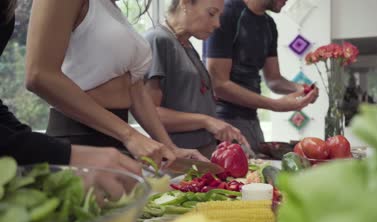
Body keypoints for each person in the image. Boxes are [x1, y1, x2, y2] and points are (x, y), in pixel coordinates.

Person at [24, 0, 206, 168]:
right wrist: (130, 135)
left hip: (118, 139)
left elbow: (134, 88)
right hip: (78, 139)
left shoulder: (111, 8)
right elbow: (39, 75)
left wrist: (170, 147)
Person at [1, 0, 142, 197]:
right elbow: (39, 75)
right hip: (78, 133)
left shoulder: (7, 12)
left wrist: (35, 145)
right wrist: (61, 154)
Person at [203, 0, 319, 151]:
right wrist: (275, 105)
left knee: (258, 172)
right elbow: (218, 84)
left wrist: (301, 89)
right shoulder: (227, 13)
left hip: (252, 121)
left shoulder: (269, 24)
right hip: (223, 122)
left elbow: (274, 79)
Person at [143, 0, 249, 158]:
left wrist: (221, 127)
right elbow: (150, 113)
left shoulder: (185, 44)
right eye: (212, 13)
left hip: (201, 153)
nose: (217, 24)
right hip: (177, 159)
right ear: (185, 3)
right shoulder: (158, 40)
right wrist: (206, 121)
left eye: (219, 16)